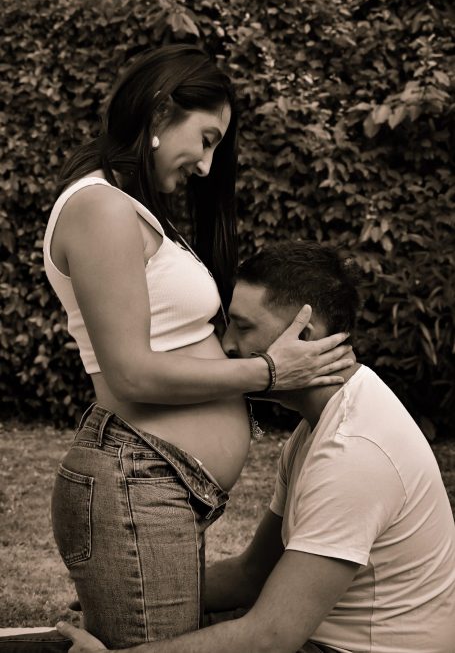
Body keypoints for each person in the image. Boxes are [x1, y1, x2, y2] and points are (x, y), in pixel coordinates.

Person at [39, 45, 354, 649]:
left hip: (157, 484)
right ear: (161, 112)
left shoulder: (126, 209)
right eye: (206, 139)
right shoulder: (100, 208)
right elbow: (132, 375)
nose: (208, 166)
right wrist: (269, 372)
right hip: (137, 481)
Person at [56, 241, 455, 653]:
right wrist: (131, 594)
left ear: (305, 335)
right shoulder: (322, 425)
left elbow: (270, 638)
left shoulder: (354, 450)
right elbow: (252, 573)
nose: (227, 346)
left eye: (243, 328)